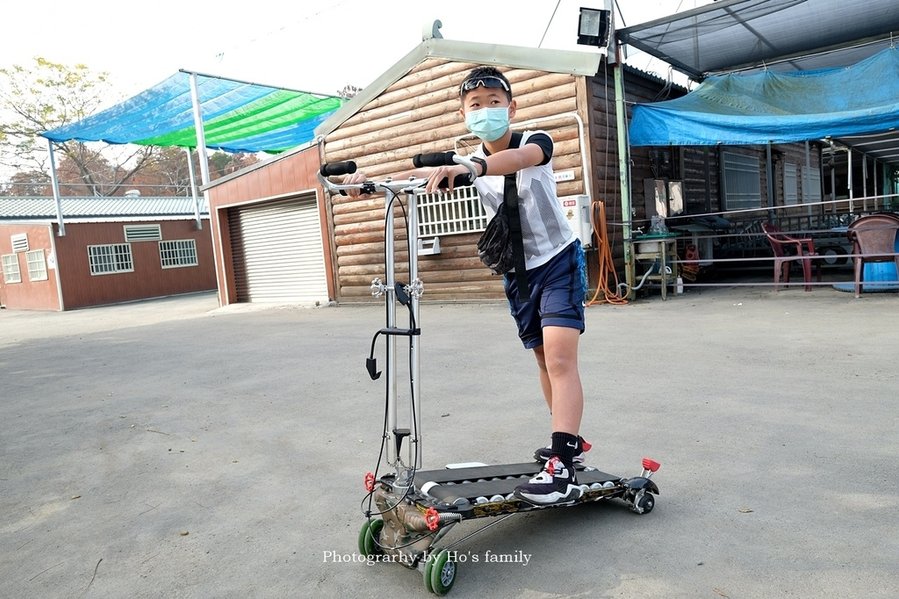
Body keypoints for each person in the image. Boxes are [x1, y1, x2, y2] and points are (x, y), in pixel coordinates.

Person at [345, 66, 589, 506]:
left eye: (495, 102)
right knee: (541, 359)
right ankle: (567, 438)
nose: (486, 110)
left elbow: (517, 161)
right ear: (464, 115)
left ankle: (563, 467)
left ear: (511, 107)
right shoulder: (468, 160)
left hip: (558, 261)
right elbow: (418, 176)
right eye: (475, 105)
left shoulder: (536, 140)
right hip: (518, 272)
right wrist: (365, 185)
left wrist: (475, 165)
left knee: (559, 358)